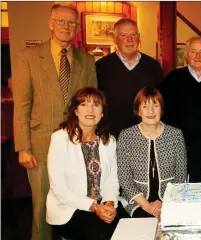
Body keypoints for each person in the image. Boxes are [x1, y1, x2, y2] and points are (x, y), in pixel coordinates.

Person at [12, 4, 97, 239]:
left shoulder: (87, 61)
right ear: (50, 23)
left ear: (77, 28)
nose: (66, 26)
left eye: (71, 23)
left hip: (76, 144)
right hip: (40, 144)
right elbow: (22, 105)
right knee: (42, 206)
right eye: (60, 21)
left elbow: (92, 103)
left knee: (75, 202)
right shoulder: (28, 57)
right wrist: (23, 147)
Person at [46, 87, 125, 240]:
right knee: (102, 234)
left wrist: (109, 203)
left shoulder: (109, 141)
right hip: (69, 209)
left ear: (102, 113)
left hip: (101, 204)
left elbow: (112, 181)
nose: (90, 109)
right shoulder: (60, 139)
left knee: (128, 228)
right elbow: (59, 189)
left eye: (96, 104)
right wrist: (94, 207)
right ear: (76, 111)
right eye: (84, 104)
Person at [160, 36, 201, 181]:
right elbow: (162, 112)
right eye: (193, 52)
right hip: (178, 147)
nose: (198, 56)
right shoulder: (172, 79)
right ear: (186, 55)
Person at [117, 87, 187, 217]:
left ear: (161, 109)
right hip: (136, 201)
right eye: (145, 106)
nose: (151, 111)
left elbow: (181, 175)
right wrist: (147, 205)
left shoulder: (175, 135)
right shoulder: (126, 136)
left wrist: (163, 202)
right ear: (138, 111)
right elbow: (124, 178)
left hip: (170, 199)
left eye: (155, 105)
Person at [96, 18, 163, 138]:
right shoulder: (101, 66)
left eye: (133, 34)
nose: (130, 39)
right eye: (123, 35)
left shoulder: (153, 66)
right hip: (111, 135)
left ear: (139, 37)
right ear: (115, 39)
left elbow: (160, 101)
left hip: (145, 135)